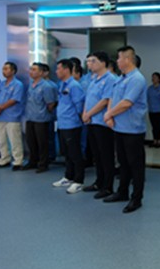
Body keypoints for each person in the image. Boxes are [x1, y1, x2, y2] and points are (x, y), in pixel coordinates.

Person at [103, 46, 148, 213]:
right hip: (120, 127)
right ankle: (122, 192)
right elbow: (113, 98)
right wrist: (110, 116)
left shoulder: (136, 79)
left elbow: (127, 103)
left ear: (128, 60)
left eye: (119, 58)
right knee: (123, 164)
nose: (117, 61)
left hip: (133, 130)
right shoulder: (121, 78)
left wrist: (109, 114)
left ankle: (136, 198)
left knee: (135, 166)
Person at [82, 51, 118, 198]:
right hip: (91, 121)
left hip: (102, 123)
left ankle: (108, 186)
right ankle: (99, 182)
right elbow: (88, 98)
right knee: (97, 155)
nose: (89, 64)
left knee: (106, 155)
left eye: (93, 61)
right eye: (88, 61)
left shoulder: (110, 79)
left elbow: (105, 100)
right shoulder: (93, 78)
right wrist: (85, 113)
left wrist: (88, 114)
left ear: (103, 62)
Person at [52, 59, 86, 193]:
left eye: (58, 69)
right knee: (67, 154)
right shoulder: (62, 84)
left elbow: (79, 106)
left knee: (75, 153)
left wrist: (79, 120)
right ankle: (68, 177)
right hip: (62, 124)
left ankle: (78, 181)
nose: (56, 71)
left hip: (72, 124)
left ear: (66, 70)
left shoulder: (74, 86)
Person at [23, 62, 58, 173]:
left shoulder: (46, 86)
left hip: (42, 119)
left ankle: (43, 164)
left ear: (41, 72)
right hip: (30, 117)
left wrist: (45, 112)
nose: (31, 71)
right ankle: (33, 161)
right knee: (31, 142)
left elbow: (51, 103)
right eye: (30, 69)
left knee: (42, 143)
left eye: (34, 69)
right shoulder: (31, 84)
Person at [0, 62, 25, 170]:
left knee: (15, 140)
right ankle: (4, 159)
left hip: (12, 116)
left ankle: (18, 161)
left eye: (6, 69)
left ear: (13, 71)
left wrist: (0, 108)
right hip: (0, 116)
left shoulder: (18, 84)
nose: (4, 71)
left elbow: (14, 100)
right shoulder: (1, 84)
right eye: (3, 69)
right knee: (2, 140)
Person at [147, 72, 160, 147]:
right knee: (154, 126)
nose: (153, 79)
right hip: (152, 111)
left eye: (155, 77)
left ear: (159, 79)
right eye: (152, 77)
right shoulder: (150, 89)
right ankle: (155, 140)